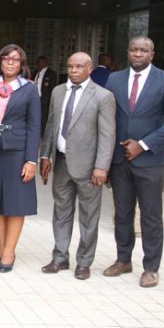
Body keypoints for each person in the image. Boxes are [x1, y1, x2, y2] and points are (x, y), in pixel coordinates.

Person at [103, 36, 164, 288]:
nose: (138, 54)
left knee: (150, 215)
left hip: (150, 160)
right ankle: (123, 260)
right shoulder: (114, 79)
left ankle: (151, 267)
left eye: (143, 50)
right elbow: (107, 118)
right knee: (122, 214)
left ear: (152, 53)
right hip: (119, 159)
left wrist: (143, 144)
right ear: (127, 52)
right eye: (134, 50)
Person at [39, 52, 116, 280]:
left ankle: (84, 262)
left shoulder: (103, 96)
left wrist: (102, 167)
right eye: (70, 66)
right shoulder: (58, 91)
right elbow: (52, 124)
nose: (73, 71)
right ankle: (60, 257)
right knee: (61, 213)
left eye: (79, 67)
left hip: (90, 167)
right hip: (61, 162)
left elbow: (107, 135)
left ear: (89, 68)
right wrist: (45, 155)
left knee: (88, 217)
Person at [0, 44, 40, 273]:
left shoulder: (29, 89)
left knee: (14, 204)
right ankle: (0, 248)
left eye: (16, 59)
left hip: (17, 153)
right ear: (0, 62)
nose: (11, 62)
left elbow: (34, 126)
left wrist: (31, 160)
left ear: (21, 64)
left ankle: (9, 252)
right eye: (6, 59)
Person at [34, 55, 57, 133]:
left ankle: (43, 134)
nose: (37, 64)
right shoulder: (35, 72)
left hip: (45, 100)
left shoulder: (51, 73)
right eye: (37, 62)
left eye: (39, 62)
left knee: (44, 118)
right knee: (34, 116)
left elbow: (53, 88)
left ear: (45, 62)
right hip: (34, 99)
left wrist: (52, 101)